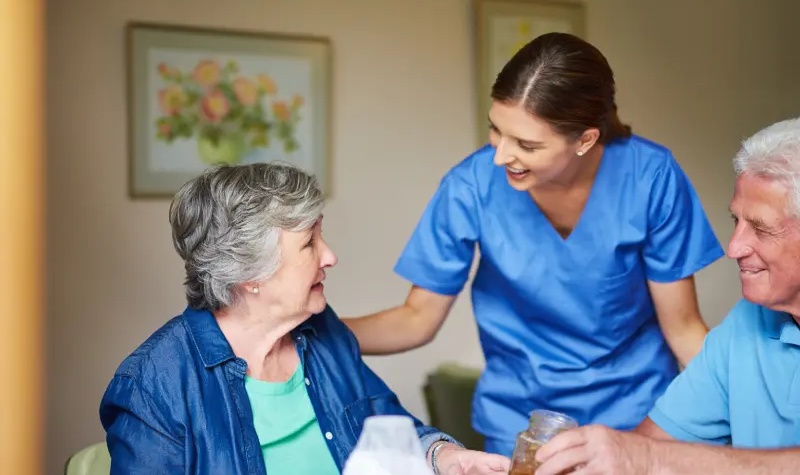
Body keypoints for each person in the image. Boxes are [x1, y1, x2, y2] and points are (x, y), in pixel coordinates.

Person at [342, 32, 724, 456]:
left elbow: (684, 329)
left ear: (585, 140)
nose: (501, 155)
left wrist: (752, 417)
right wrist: (308, 332)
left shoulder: (650, 178)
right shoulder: (471, 186)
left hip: (637, 418)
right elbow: (416, 319)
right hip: (520, 424)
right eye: (496, 130)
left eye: (527, 144)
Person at [99, 163, 510, 475]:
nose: (329, 255)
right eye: (309, 243)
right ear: (250, 274)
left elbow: (390, 429)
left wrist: (446, 456)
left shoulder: (322, 331)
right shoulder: (154, 386)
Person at [533, 117, 800, 475]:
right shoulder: (746, 325)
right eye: (736, 221)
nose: (734, 247)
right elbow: (652, 446)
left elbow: (651, 457)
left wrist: (651, 460)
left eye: (761, 229)